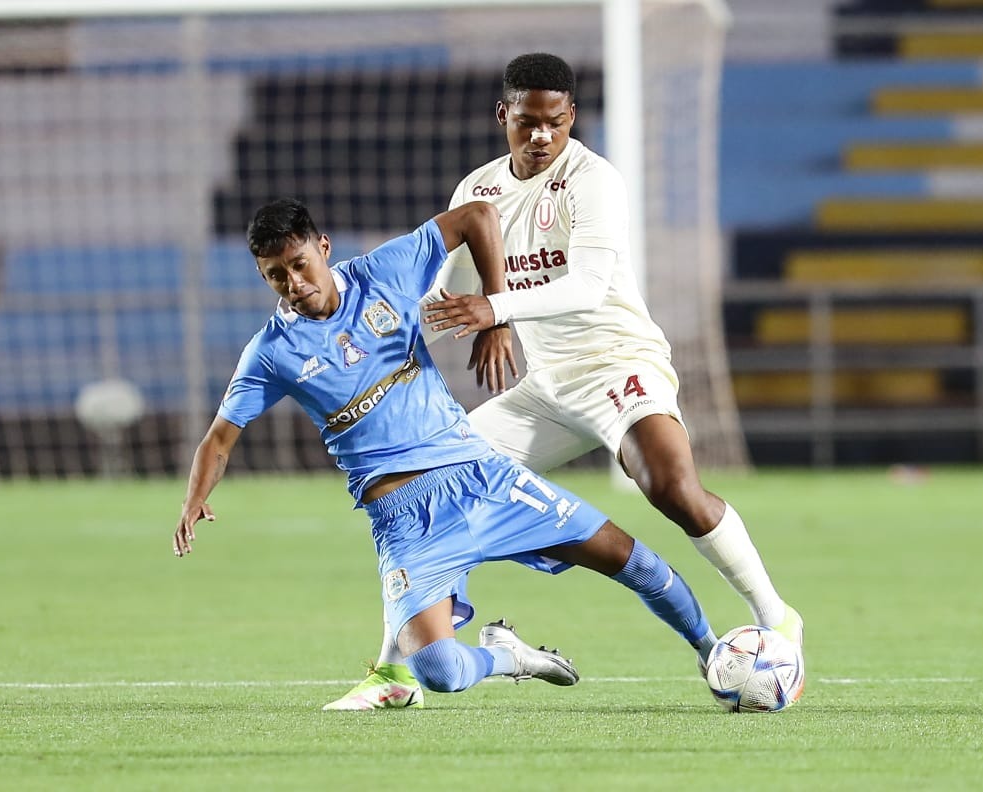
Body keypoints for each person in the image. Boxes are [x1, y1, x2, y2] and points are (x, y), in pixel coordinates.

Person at [325, 52, 803, 711]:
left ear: (571, 117)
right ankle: (396, 674)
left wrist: (497, 310)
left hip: (618, 363)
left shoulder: (593, 180)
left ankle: (776, 616)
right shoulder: (479, 191)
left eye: (555, 122)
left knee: (669, 486)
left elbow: (585, 287)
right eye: (527, 123)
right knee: (429, 481)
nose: (542, 136)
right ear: (504, 117)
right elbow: (450, 297)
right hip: (545, 387)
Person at [174, 197, 724, 708]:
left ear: (323, 248)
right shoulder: (272, 352)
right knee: (437, 668)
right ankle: (507, 656)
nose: (294, 284)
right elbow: (218, 439)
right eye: (276, 276)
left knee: (633, 561)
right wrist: (195, 499)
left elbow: (478, 216)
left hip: (479, 476)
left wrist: (497, 312)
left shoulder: (382, 272)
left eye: (299, 264)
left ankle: (716, 653)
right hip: (405, 520)